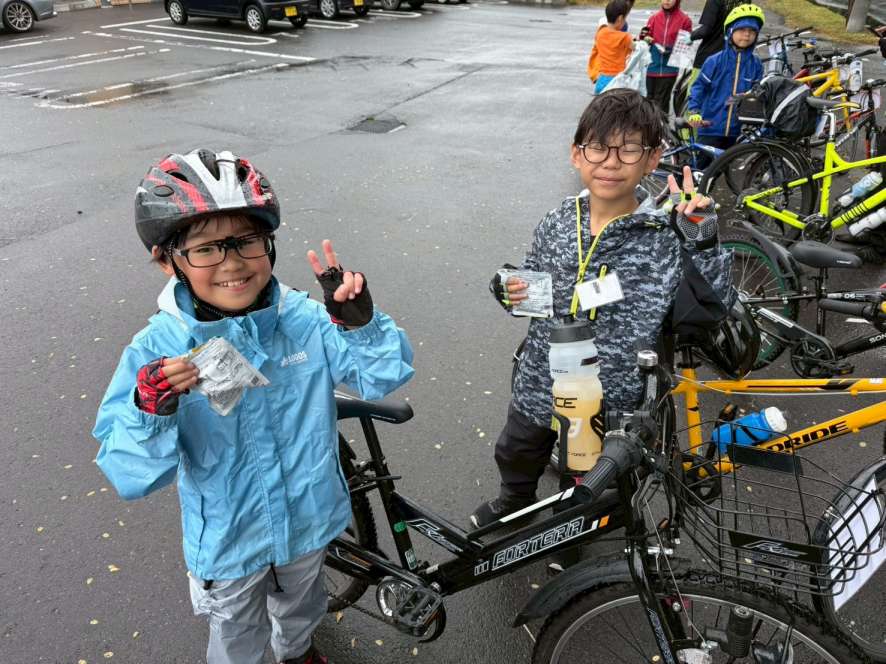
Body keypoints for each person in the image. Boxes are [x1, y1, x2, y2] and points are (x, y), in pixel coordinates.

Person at [93, 149, 414, 664]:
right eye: (206, 249)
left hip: (310, 521)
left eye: (246, 241)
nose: (233, 263)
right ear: (167, 259)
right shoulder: (158, 350)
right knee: (237, 637)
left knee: (302, 608)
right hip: (230, 541)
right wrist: (149, 407)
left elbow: (383, 376)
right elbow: (132, 474)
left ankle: (297, 651)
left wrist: (361, 325)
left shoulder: (305, 319)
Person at [471, 89, 733, 530]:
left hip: (612, 396)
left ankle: (574, 532)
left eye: (628, 150)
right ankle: (513, 502)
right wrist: (509, 287)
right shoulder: (558, 221)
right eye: (597, 147)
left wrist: (703, 240)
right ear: (577, 154)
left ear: (652, 159)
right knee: (517, 450)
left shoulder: (665, 236)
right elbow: (533, 281)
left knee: (588, 482)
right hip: (540, 377)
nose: (610, 162)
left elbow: (714, 305)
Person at [686, 3, 765, 149]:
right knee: (703, 163)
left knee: (729, 163)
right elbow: (699, 87)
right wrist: (694, 111)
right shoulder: (714, 61)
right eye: (742, 29)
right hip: (710, 128)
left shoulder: (756, 65)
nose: (747, 34)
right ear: (730, 31)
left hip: (737, 132)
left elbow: (757, 93)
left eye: (752, 31)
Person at [643, 0, 692, 113]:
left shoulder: (685, 20)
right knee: (648, 102)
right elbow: (644, 38)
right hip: (652, 67)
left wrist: (672, 49)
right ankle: (648, 124)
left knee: (661, 103)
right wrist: (645, 39)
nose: (667, 1)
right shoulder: (653, 18)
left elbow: (686, 46)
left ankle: (661, 124)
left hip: (669, 69)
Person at [588, 0, 635, 95]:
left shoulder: (600, 33)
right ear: (620, 18)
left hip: (602, 79)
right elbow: (635, 49)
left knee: (601, 103)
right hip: (617, 80)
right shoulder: (625, 37)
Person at [690, 0, 749, 76]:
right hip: (733, 57)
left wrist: (690, 36)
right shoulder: (745, 1)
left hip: (708, 57)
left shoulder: (714, 1)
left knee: (697, 82)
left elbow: (705, 30)